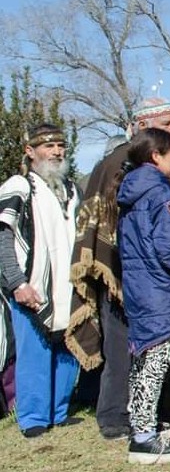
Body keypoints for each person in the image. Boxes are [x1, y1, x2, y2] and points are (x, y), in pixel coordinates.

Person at [70, 96, 170, 441]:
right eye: (166, 123)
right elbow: (100, 225)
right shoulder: (119, 164)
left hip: (149, 274)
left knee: (151, 352)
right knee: (126, 349)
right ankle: (115, 418)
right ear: (142, 127)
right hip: (123, 273)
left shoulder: (158, 169)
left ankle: (146, 417)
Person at [115, 129, 170, 463]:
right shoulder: (160, 193)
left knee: (144, 358)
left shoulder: (132, 190)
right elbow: (169, 247)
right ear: (155, 156)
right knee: (156, 359)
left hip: (139, 285)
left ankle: (141, 424)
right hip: (160, 288)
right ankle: (144, 440)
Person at [0, 123, 81, 437]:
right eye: (48, 147)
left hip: (67, 284)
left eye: (60, 145)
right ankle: (33, 417)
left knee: (66, 348)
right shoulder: (19, 186)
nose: (56, 152)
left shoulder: (70, 189)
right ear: (30, 152)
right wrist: (17, 282)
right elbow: (4, 239)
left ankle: (58, 411)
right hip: (31, 285)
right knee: (34, 351)